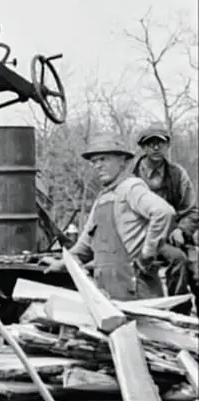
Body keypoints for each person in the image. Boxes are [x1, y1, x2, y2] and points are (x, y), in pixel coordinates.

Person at [41, 136, 176, 300]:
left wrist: (147, 255)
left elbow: (163, 212)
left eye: (104, 159)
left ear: (122, 161)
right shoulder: (102, 198)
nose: (98, 165)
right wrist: (64, 263)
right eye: (94, 161)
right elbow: (84, 247)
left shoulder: (131, 188)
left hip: (136, 290)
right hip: (107, 289)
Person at [131, 122, 199, 302]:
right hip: (139, 235)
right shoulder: (130, 175)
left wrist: (182, 229)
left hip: (172, 235)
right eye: (150, 143)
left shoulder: (178, 174)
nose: (155, 147)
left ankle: (188, 321)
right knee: (178, 260)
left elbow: (192, 210)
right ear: (143, 147)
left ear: (167, 146)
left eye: (160, 143)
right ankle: (177, 314)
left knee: (196, 270)